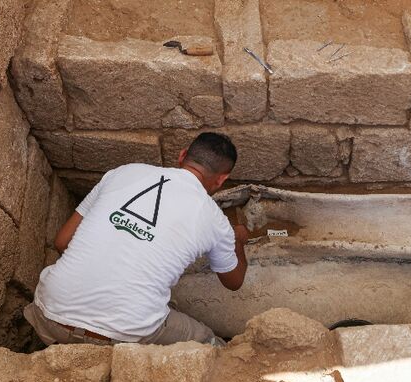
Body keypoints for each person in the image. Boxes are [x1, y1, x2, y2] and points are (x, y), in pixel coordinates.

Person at [23, 132, 249, 347]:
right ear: (221, 180)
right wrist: (237, 239)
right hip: (125, 334)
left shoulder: (122, 173)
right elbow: (233, 281)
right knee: (206, 340)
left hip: (49, 315)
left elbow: (62, 241)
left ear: (182, 156)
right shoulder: (214, 219)